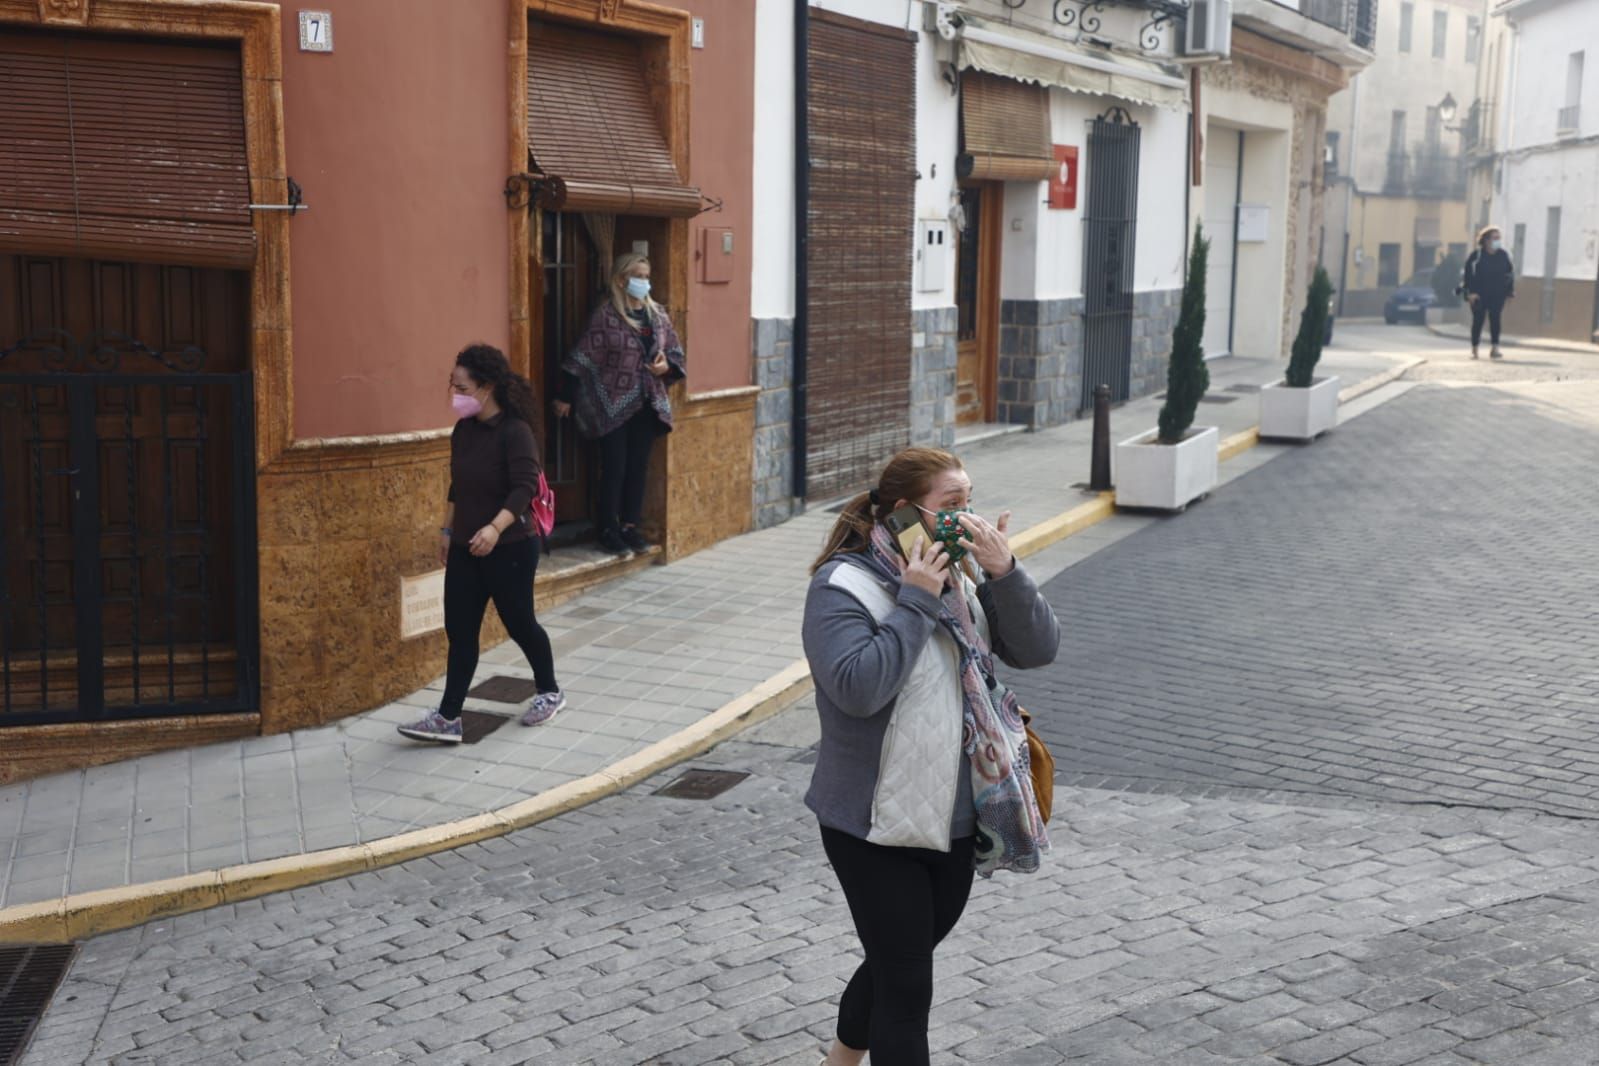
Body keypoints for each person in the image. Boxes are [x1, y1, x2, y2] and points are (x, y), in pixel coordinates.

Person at [802, 448, 1060, 1066]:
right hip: (871, 824)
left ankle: (837, 1061)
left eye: (970, 502)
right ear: (901, 513)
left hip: (953, 820)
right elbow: (859, 689)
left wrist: (1007, 572)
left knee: (897, 961)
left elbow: (1038, 648)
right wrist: (917, 598)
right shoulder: (843, 586)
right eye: (951, 506)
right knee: (909, 982)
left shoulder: (965, 578)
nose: (967, 519)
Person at [399, 344, 564, 743]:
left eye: (462, 386)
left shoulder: (515, 432)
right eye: (453, 385)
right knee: (461, 629)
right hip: (465, 547)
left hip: (509, 547)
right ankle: (448, 717)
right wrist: (446, 532)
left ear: (486, 388)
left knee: (519, 622)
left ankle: (549, 691)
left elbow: (524, 487)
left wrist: (494, 529)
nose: (455, 394)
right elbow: (458, 484)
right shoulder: (464, 430)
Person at [554, 253, 685, 557]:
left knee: (637, 468)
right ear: (622, 279)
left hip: (648, 403)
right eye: (638, 275)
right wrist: (565, 396)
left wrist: (666, 367)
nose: (644, 281)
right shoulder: (606, 316)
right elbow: (582, 358)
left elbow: (676, 354)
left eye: (646, 275)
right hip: (610, 404)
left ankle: (630, 526)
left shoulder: (658, 316)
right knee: (614, 467)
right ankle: (607, 529)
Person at [1459, 225, 1515, 360]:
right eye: (1495, 238)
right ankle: (1475, 349)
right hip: (1479, 294)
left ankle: (1495, 348)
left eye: (1499, 238)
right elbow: (1468, 275)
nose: (1498, 241)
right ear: (1486, 240)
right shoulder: (1476, 256)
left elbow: (1509, 274)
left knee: (1495, 319)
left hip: (1497, 294)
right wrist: (1470, 293)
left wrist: (1510, 292)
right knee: (1478, 320)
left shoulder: (1503, 255)